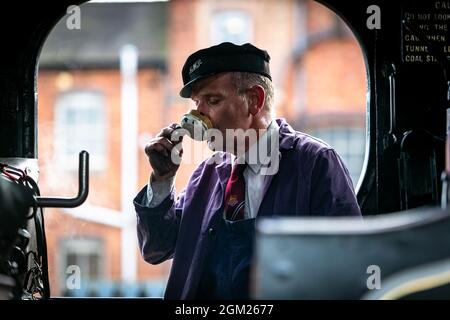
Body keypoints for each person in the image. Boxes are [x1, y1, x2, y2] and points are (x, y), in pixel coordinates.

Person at [133, 42, 361, 300]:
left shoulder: (315, 163)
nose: (199, 115)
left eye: (212, 100)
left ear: (254, 100)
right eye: (197, 103)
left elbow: (347, 267)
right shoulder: (206, 174)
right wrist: (163, 179)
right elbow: (156, 249)